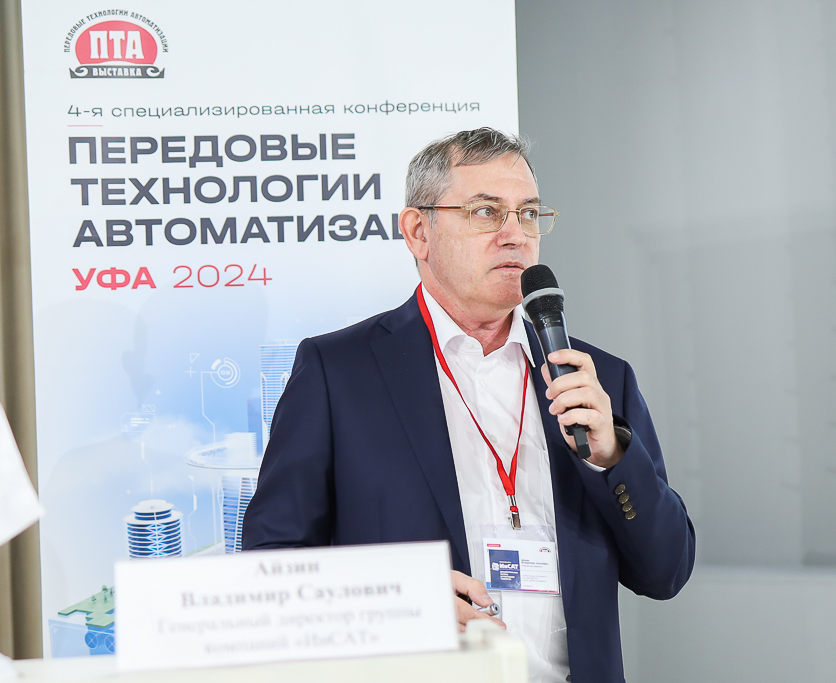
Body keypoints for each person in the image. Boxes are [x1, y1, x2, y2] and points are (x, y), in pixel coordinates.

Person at [242, 128, 695, 683]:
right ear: (418, 231)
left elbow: (666, 571)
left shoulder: (595, 380)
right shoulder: (338, 372)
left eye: (528, 214)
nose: (516, 236)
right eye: (486, 212)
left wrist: (613, 458)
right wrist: (397, 603)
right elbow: (270, 564)